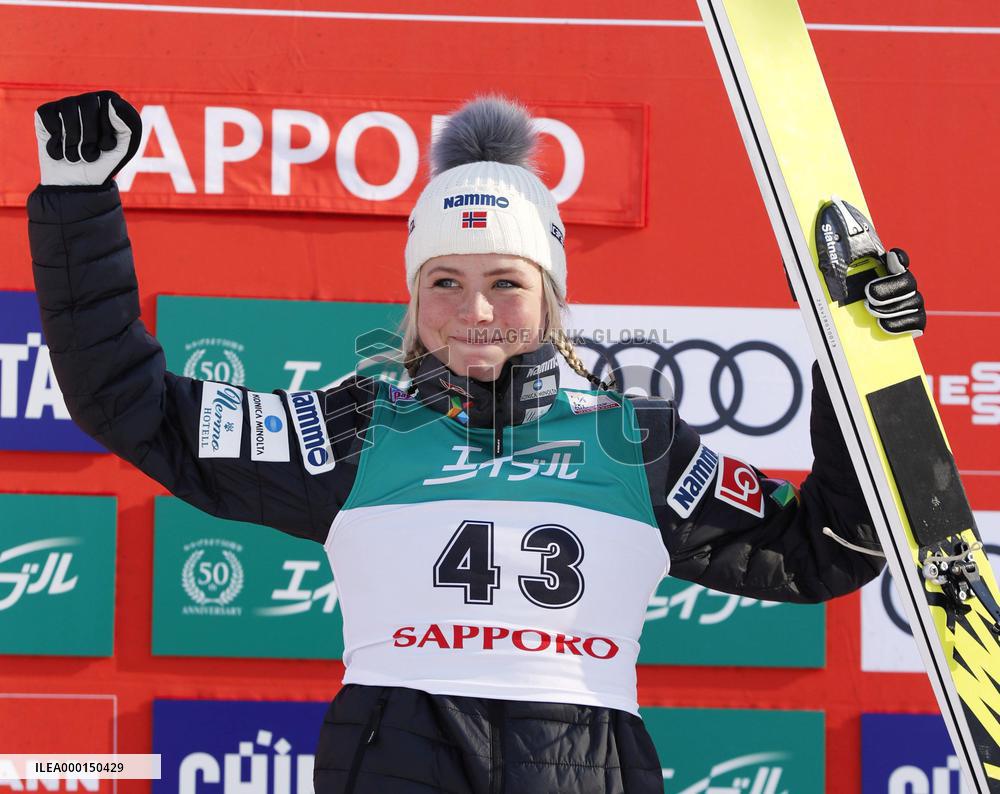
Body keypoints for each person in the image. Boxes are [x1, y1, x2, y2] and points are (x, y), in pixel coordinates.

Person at [27, 91, 923, 794]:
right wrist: (78, 210)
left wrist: (859, 357)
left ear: (553, 295)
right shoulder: (355, 430)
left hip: (586, 764)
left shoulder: (632, 444)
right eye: (445, 281)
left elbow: (824, 552)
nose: (476, 311)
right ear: (414, 297)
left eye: (506, 280)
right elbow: (131, 404)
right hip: (393, 761)